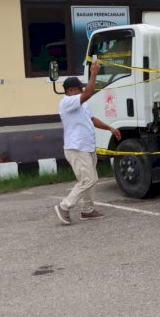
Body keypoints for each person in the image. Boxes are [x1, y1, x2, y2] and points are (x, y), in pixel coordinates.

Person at [54, 60, 121, 225]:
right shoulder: (67, 102)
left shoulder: (82, 104)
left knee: (91, 179)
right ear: (71, 90)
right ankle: (65, 206)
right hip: (76, 148)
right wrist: (93, 73)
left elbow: (91, 120)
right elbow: (89, 93)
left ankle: (88, 210)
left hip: (87, 147)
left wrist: (109, 128)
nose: (83, 90)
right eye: (79, 88)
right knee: (88, 180)